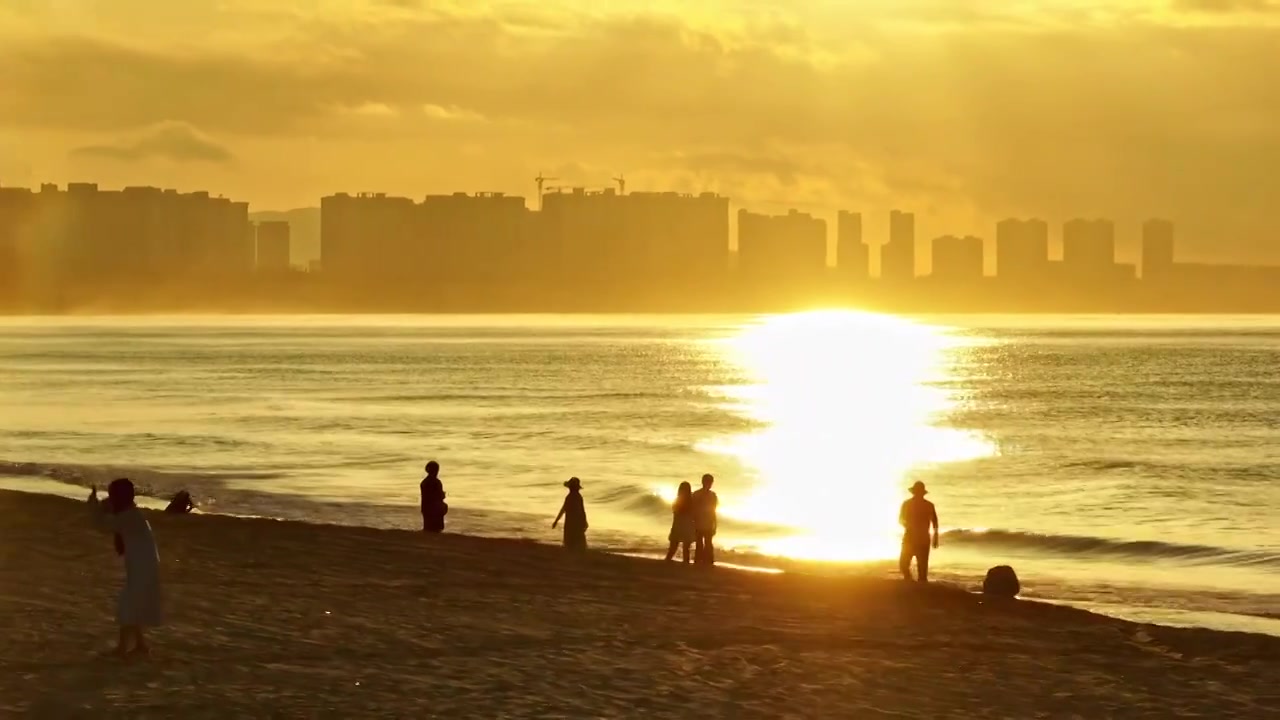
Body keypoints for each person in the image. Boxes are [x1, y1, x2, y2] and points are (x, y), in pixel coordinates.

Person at [88, 479, 162, 658]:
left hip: (143, 565)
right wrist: (102, 505)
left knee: (128, 603)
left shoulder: (129, 517)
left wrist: (93, 505)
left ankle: (123, 647)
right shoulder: (130, 514)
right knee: (133, 602)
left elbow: (103, 525)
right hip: (143, 563)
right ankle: (140, 644)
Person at [899, 480, 939, 583]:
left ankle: (919, 587)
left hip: (922, 539)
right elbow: (900, 519)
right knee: (903, 564)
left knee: (922, 568)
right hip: (911, 537)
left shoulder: (929, 505)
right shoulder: (907, 504)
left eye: (919, 492)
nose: (918, 494)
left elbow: (935, 522)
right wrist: (907, 525)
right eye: (917, 492)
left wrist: (935, 537)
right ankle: (909, 579)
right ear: (914, 492)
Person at [552, 477, 588, 551]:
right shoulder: (578, 497)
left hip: (570, 524)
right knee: (579, 544)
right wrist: (584, 521)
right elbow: (582, 511)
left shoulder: (570, 497)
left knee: (570, 544)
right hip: (577, 523)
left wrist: (556, 521)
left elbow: (563, 510)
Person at [665, 481, 696, 563]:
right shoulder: (691, 500)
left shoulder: (678, 500)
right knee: (684, 548)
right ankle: (685, 563)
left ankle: (667, 561)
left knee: (675, 547)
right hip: (686, 526)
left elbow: (675, 513)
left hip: (680, 525)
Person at [691, 473, 718, 565]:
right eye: (709, 482)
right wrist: (693, 521)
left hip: (708, 523)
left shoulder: (713, 495)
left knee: (708, 543)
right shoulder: (697, 494)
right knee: (700, 543)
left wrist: (715, 524)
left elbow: (713, 511)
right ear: (703, 482)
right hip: (699, 522)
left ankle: (707, 561)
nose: (710, 484)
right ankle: (699, 560)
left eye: (711, 482)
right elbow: (693, 509)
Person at [420, 461, 448, 533]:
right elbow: (438, 496)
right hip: (435, 509)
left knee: (428, 529)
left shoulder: (424, 482)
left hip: (426, 509)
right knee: (436, 529)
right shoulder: (437, 482)